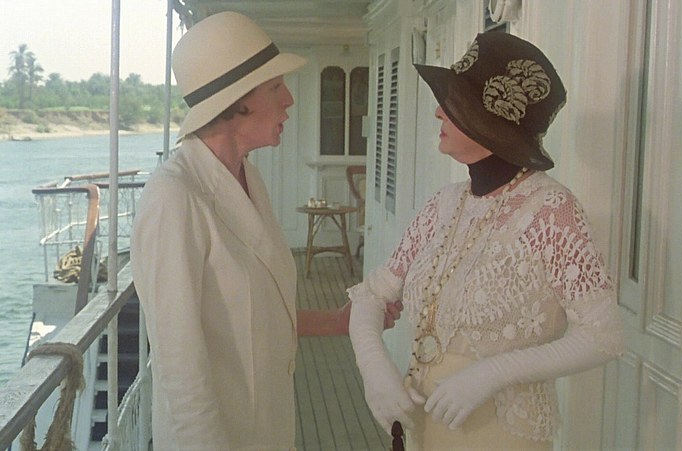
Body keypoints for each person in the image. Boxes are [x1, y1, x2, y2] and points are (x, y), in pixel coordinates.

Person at [131, 12, 401, 450]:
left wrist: (338, 322)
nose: (289, 99)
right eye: (276, 86)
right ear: (239, 101)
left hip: (267, 430)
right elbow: (179, 367)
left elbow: (255, 316)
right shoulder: (174, 197)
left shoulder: (249, 179)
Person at [348, 32, 625, 450]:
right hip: (423, 424)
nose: (438, 112)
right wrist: (375, 370)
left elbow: (604, 336)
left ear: (488, 119)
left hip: (501, 432)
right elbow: (371, 296)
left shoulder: (551, 210)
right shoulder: (443, 204)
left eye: (454, 102)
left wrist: (492, 374)